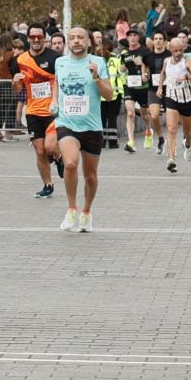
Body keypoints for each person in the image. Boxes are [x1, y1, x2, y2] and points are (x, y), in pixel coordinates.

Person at [52, 26, 112, 233]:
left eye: (80, 38)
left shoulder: (99, 63)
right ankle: (71, 209)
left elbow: (110, 95)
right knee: (70, 163)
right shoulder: (60, 62)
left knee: (91, 176)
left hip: (92, 126)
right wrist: (54, 101)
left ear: (88, 42)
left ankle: (86, 212)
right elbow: (57, 82)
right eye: (72, 38)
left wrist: (96, 77)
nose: (76, 41)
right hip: (67, 123)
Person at [13, 24, 60, 198]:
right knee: (40, 150)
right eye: (32, 37)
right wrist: (15, 82)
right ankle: (48, 184)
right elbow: (17, 89)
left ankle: (59, 158)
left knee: (50, 146)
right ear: (28, 39)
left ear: (44, 38)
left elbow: (60, 82)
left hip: (52, 110)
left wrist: (57, 100)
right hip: (32, 110)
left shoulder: (55, 58)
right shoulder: (20, 60)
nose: (36, 40)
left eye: (39, 36)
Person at [159, 33, 191, 171]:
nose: (178, 53)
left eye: (180, 50)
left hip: (187, 99)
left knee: (187, 131)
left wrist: (187, 77)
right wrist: (160, 87)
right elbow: (163, 73)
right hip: (171, 97)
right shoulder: (166, 61)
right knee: (171, 129)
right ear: (170, 49)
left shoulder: (187, 61)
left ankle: (188, 144)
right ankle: (171, 159)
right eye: (175, 50)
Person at [120, 31, 153, 152]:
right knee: (130, 112)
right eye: (130, 36)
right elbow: (122, 69)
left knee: (145, 114)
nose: (132, 38)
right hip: (130, 85)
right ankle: (131, 141)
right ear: (127, 38)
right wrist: (125, 65)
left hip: (143, 87)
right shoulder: (125, 53)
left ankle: (149, 131)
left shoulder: (145, 51)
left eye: (135, 36)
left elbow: (151, 67)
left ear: (138, 38)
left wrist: (142, 65)